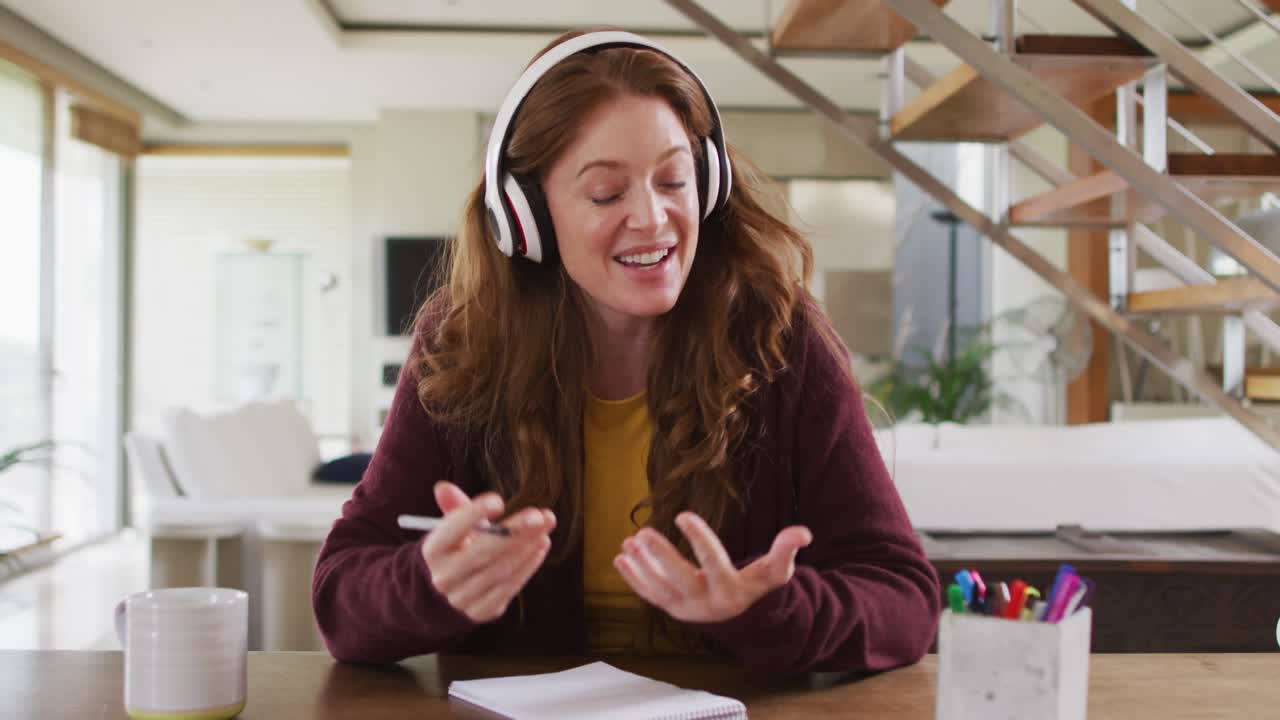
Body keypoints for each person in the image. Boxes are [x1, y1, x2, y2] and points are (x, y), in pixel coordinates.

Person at [312, 28, 940, 673]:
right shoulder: (462, 340)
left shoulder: (783, 336)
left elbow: (904, 597)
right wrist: (426, 584)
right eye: (607, 193)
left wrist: (771, 610)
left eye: (674, 180)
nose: (653, 218)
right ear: (528, 215)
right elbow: (341, 593)